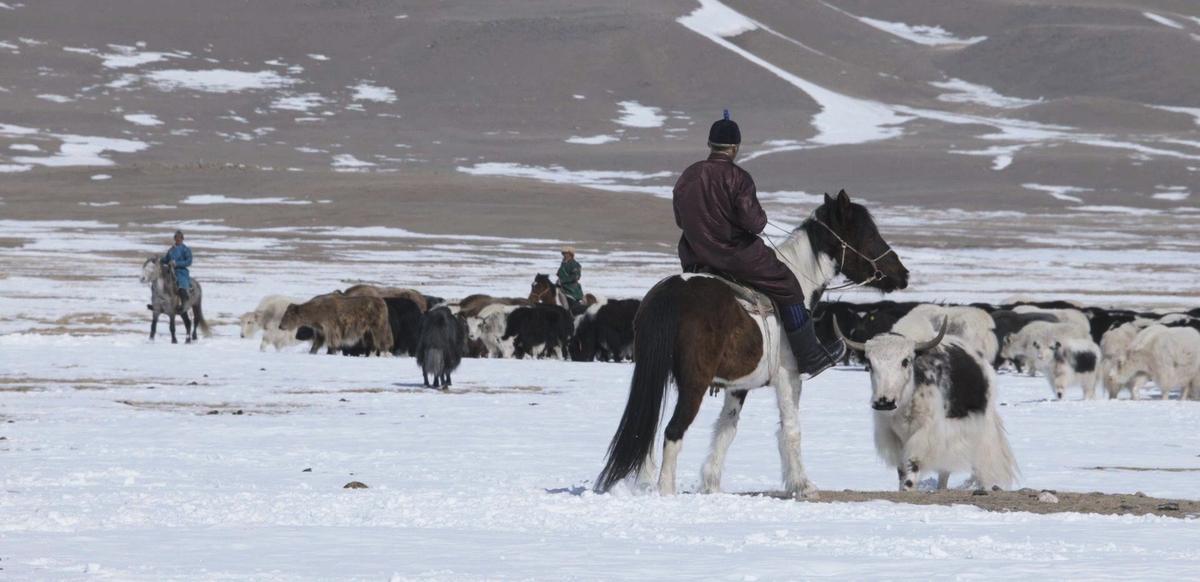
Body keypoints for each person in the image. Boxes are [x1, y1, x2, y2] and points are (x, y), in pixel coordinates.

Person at [672, 110, 845, 378]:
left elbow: (680, 220)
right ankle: (810, 357)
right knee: (789, 286)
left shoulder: (687, 176)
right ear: (735, 147)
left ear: (710, 144)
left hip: (695, 257)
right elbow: (755, 224)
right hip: (737, 258)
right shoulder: (738, 178)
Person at [161, 230, 193, 307]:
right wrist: (160, 260)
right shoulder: (171, 249)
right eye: (176, 238)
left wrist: (177, 263)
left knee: (181, 285)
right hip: (170, 271)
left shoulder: (186, 249)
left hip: (181, 271)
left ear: (182, 239)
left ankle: (184, 304)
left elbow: (189, 261)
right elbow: (166, 259)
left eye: (179, 238)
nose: (178, 240)